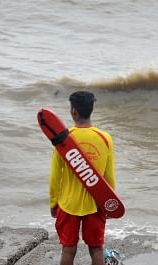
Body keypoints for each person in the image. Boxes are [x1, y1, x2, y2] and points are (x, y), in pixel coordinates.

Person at [49, 91, 116, 265]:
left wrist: (53, 203)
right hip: (95, 204)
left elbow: (55, 176)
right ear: (91, 110)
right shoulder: (105, 138)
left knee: (68, 249)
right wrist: (109, 203)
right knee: (96, 248)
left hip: (68, 204)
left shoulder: (64, 139)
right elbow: (109, 176)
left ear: (74, 111)